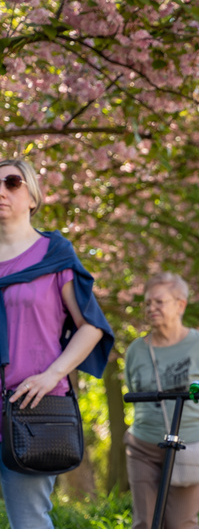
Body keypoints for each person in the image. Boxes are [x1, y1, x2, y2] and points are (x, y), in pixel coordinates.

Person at [0, 158, 114, 527]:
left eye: (12, 182)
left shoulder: (54, 255)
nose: (1, 190)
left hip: (32, 406)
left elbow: (91, 326)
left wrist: (53, 375)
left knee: (29, 520)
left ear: (33, 196)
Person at [124, 272, 199, 529]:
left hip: (190, 445)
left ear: (180, 304)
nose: (151, 308)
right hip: (143, 446)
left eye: (159, 302)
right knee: (145, 522)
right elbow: (134, 393)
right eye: (147, 303)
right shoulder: (136, 350)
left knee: (181, 523)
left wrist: (195, 428)